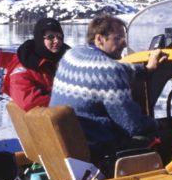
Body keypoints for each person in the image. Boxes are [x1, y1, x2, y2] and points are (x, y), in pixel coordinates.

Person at [50, 15, 164, 167]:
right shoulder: (109, 71)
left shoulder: (72, 55)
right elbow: (132, 126)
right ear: (99, 39)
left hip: (67, 142)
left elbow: (115, 70)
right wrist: (158, 124)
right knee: (158, 135)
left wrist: (146, 70)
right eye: (118, 38)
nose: (124, 43)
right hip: (96, 147)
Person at [1, 18, 70, 111]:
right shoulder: (23, 67)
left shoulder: (67, 60)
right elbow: (29, 101)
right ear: (40, 38)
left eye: (59, 36)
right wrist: (70, 102)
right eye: (50, 37)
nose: (57, 40)